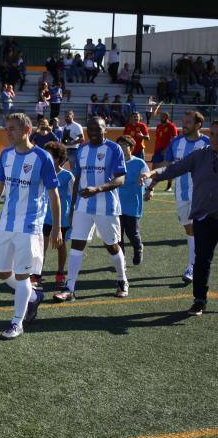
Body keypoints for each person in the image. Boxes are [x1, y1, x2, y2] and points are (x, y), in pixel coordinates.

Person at [0, 113, 61, 339]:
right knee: (2, 271)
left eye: (12, 128)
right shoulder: (6, 155)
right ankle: (33, 297)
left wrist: (57, 229)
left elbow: (54, 196)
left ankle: (16, 323)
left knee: (22, 276)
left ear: (26, 130)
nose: (7, 132)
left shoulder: (43, 158)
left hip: (30, 226)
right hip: (6, 223)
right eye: (6, 128)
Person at [141, 119, 218, 316]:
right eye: (213, 134)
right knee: (202, 260)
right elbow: (173, 168)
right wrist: (153, 173)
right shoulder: (200, 156)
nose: (214, 139)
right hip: (205, 217)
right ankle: (199, 300)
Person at [53, 116, 129, 302]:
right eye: (91, 130)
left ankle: (122, 280)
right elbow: (78, 178)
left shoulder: (114, 148)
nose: (94, 133)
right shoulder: (82, 150)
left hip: (107, 207)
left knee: (111, 245)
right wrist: (72, 207)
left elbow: (121, 178)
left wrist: (98, 189)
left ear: (106, 130)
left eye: (99, 129)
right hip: (83, 207)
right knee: (77, 245)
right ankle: (70, 289)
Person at [145, 111, 210, 284]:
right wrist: (151, 186)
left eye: (188, 122)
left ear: (198, 125)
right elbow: (167, 167)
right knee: (190, 230)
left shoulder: (207, 143)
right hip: (181, 194)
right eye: (184, 121)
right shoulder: (176, 142)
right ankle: (195, 264)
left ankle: (193, 266)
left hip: (203, 196)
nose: (184, 125)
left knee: (201, 231)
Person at [39, 141, 74, 289]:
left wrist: (72, 215)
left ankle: (60, 273)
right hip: (43, 217)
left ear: (58, 159)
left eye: (50, 155)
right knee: (41, 245)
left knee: (60, 246)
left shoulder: (67, 176)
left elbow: (73, 197)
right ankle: (37, 273)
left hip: (61, 218)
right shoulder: (41, 174)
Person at [116, 136, 150, 265]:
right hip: (116, 204)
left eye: (124, 145)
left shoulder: (139, 163)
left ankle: (138, 247)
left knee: (132, 233)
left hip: (132, 204)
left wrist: (149, 190)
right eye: (119, 145)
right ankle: (121, 259)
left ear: (131, 147)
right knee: (118, 235)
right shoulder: (115, 163)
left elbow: (148, 180)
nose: (122, 147)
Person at [152, 112, 177, 192]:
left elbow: (174, 138)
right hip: (158, 149)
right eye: (161, 116)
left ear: (167, 117)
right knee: (155, 167)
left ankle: (169, 186)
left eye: (163, 116)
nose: (161, 118)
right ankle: (152, 185)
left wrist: (167, 149)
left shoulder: (171, 126)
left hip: (167, 150)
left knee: (169, 167)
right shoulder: (158, 126)